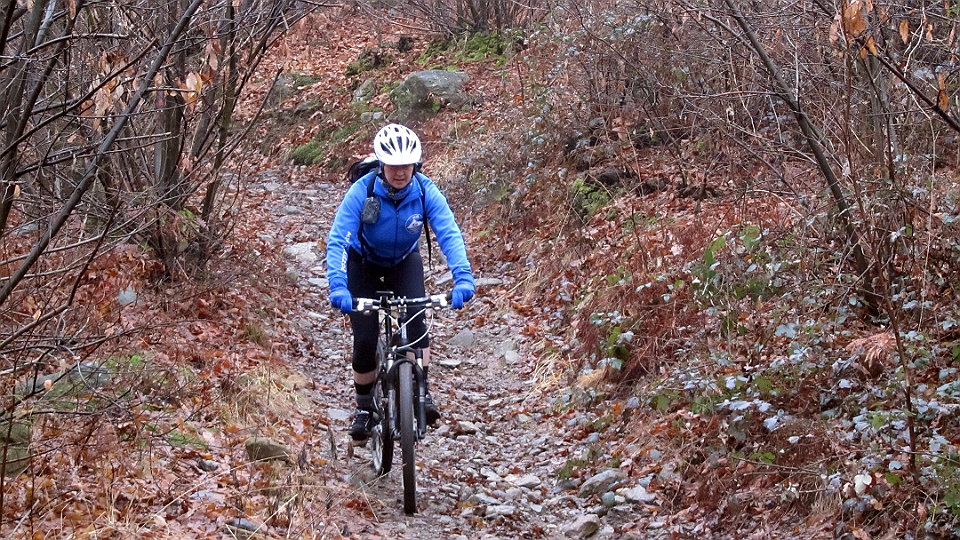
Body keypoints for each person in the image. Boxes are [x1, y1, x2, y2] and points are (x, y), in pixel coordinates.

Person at [325, 123, 475, 441]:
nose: (400, 172)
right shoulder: (362, 191)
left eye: (407, 165)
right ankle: (364, 408)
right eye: (393, 165)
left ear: (415, 164)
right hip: (362, 263)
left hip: (404, 261)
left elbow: (448, 232)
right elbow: (339, 239)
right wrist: (338, 284)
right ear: (381, 164)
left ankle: (421, 389)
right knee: (365, 338)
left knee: (416, 327)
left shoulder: (424, 190)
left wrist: (462, 276)